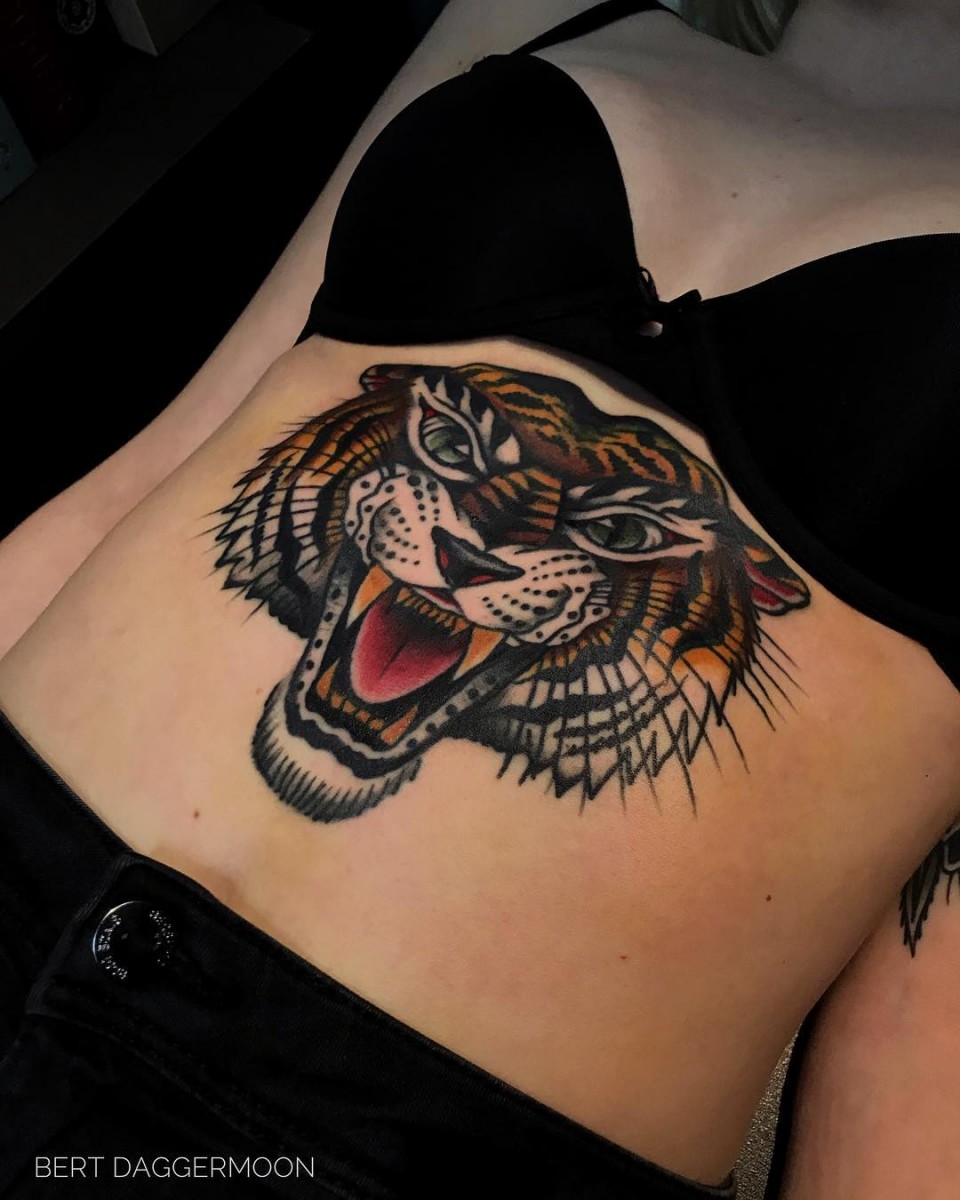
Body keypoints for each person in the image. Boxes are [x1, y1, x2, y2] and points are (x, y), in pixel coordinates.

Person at [0, 1, 958, 1196]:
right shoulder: (544, 7)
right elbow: (171, 453)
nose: (476, 545)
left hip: (402, 1132)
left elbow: (926, 1005)